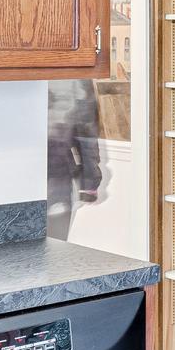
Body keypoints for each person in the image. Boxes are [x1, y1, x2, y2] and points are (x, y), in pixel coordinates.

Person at [47, 80, 105, 240]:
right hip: (54, 179)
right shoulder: (74, 72)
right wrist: (90, 184)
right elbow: (86, 132)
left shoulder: (75, 75)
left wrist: (89, 183)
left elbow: (85, 132)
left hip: (55, 179)